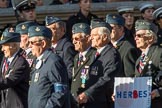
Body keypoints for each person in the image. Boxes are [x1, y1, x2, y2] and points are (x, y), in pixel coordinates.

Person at [74, 19, 122, 108]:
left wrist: (88, 94)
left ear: (104, 37)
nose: (91, 38)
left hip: (102, 103)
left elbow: (107, 78)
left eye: (94, 35)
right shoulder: (96, 53)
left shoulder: (111, 54)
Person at [27, 25, 70, 108]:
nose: (29, 46)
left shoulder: (53, 61)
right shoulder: (40, 60)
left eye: (32, 42)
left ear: (43, 43)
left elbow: (60, 91)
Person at [134, 19, 162, 108]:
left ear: (150, 38)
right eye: (135, 35)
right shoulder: (139, 59)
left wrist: (159, 92)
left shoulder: (159, 53)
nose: (136, 38)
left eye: (139, 36)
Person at [0, 31, 30, 108]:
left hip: (17, 104)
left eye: (4, 46)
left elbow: (9, 81)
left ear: (14, 45)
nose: (2, 49)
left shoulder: (21, 63)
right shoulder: (5, 59)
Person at [70, 23, 96, 108]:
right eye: (73, 38)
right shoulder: (77, 57)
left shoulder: (94, 56)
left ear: (88, 38)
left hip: (89, 103)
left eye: (77, 38)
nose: (74, 41)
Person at [45, 16, 77, 83]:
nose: (50, 32)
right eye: (48, 29)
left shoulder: (67, 47)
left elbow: (70, 72)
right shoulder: (48, 46)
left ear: (63, 30)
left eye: (53, 29)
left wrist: (58, 83)